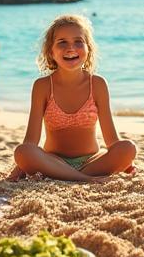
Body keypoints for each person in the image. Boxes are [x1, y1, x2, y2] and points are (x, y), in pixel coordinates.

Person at [11, 15, 137, 181]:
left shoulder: (97, 84)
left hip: (92, 162)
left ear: (88, 48)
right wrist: (21, 164)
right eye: (62, 42)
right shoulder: (42, 86)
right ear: (51, 51)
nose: (71, 48)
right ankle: (84, 179)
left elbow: (112, 141)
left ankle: (71, 177)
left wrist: (125, 160)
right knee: (23, 151)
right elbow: (31, 141)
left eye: (78, 41)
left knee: (128, 148)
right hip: (54, 162)